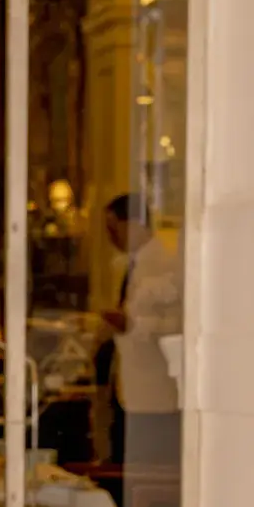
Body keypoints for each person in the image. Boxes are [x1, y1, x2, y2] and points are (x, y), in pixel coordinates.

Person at [100, 194, 183, 470]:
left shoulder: (165, 263)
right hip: (132, 391)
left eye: (114, 226)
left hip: (155, 395)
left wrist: (133, 325)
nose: (110, 236)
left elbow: (178, 325)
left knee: (150, 472)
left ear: (134, 224)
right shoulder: (132, 264)